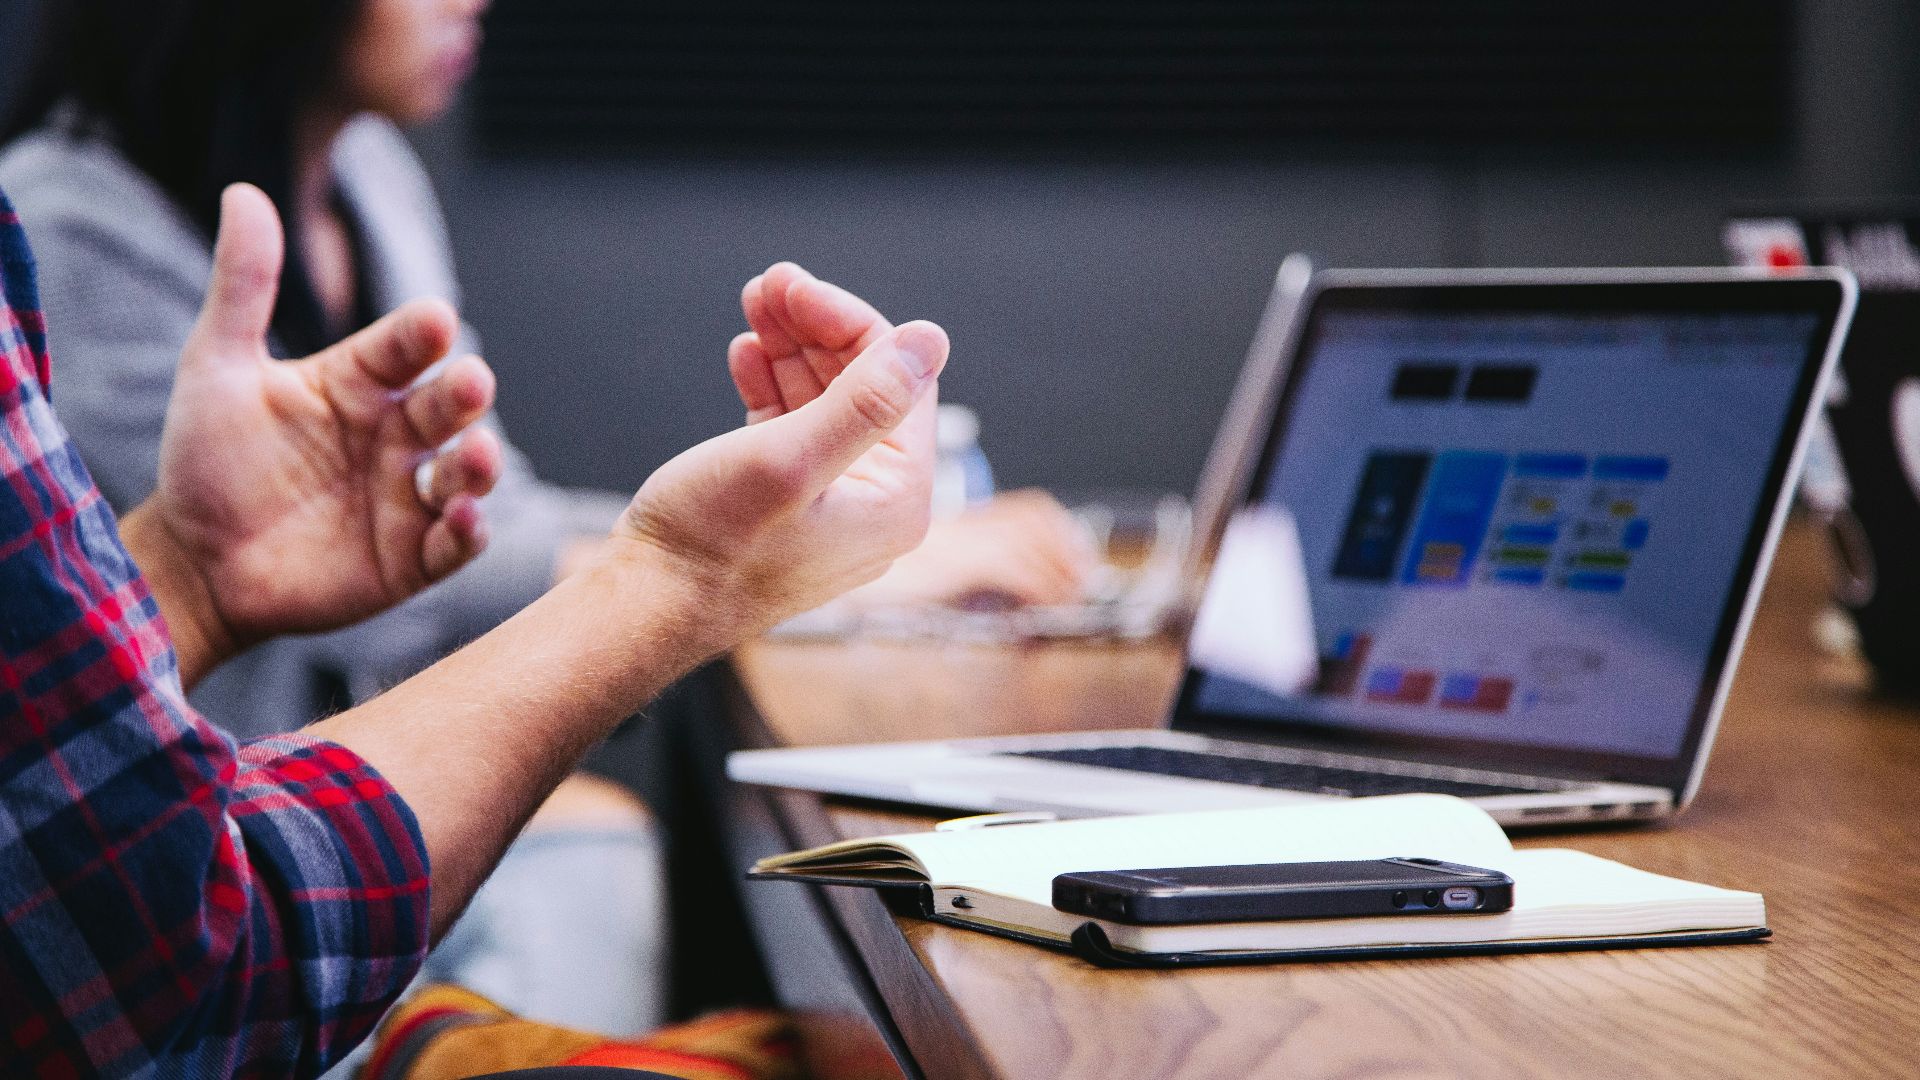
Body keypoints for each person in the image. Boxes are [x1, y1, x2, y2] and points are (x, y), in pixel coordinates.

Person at [0, 0, 1091, 1032]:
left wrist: (196, 575)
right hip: (215, 879)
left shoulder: (367, 175)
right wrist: (724, 567)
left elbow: (473, 517)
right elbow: (408, 607)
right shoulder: (64, 222)